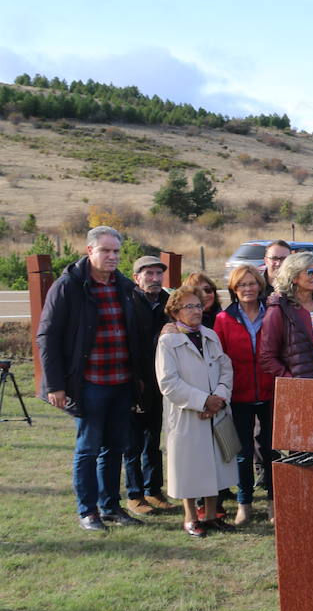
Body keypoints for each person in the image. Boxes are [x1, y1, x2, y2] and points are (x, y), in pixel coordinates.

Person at [36, 225, 150, 531]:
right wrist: (56, 385)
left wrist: (137, 378)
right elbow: (47, 337)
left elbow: (133, 335)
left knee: (115, 448)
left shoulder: (123, 286)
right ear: (90, 251)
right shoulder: (68, 286)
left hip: (121, 382)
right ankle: (88, 512)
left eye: (116, 251)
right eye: (105, 250)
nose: (112, 256)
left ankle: (110, 506)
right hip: (88, 384)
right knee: (88, 448)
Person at [156, 284, 236, 538]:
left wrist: (219, 398)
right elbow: (168, 382)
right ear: (176, 311)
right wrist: (203, 401)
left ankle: (211, 516)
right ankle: (191, 517)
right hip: (187, 414)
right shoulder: (168, 341)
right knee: (188, 467)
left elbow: (226, 368)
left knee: (214, 464)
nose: (196, 311)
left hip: (215, 411)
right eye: (189, 306)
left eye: (198, 305)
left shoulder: (211, 336)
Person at [214, 264, 275, 525]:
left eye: (252, 283)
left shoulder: (273, 314)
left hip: (271, 392)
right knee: (243, 451)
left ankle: (274, 502)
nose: (248, 289)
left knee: (271, 450)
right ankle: (244, 504)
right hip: (239, 395)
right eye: (242, 285)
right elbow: (219, 359)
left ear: (260, 286)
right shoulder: (223, 320)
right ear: (234, 290)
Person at [124, 254, 175, 516]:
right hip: (133, 381)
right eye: (149, 274)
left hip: (159, 381)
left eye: (158, 274)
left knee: (153, 440)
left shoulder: (167, 302)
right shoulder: (128, 302)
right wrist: (133, 383)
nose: (155, 279)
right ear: (137, 278)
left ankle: (153, 490)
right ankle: (134, 495)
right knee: (132, 444)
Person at [261, 252, 313, 380]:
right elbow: (266, 357)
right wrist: (291, 380)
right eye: (310, 272)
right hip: (298, 385)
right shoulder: (279, 308)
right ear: (294, 277)